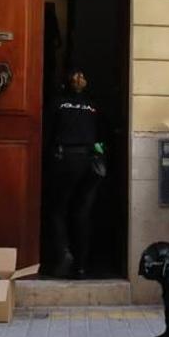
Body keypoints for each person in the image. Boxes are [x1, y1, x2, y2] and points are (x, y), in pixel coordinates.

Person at [44, 67, 108, 279]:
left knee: (57, 210)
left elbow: (47, 134)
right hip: (89, 162)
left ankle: (63, 255)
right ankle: (81, 265)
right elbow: (102, 135)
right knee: (82, 214)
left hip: (65, 161)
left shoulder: (57, 103)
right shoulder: (93, 106)